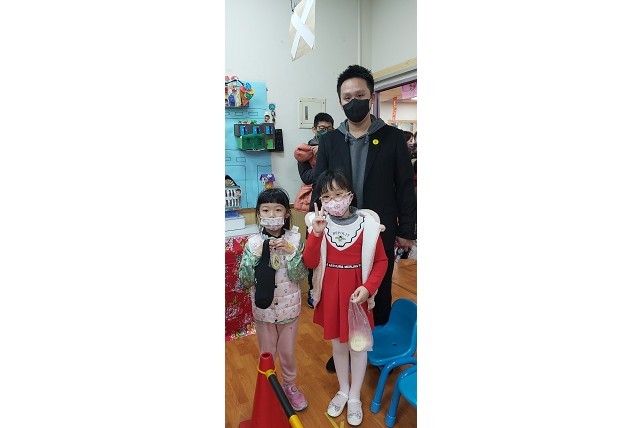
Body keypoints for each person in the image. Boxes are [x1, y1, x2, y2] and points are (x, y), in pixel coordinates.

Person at [311, 64, 417, 372]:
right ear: (340, 101)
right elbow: (320, 186)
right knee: (341, 291)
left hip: (378, 230)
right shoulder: (329, 141)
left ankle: (375, 345)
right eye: (347, 97)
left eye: (360, 95)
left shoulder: (393, 138)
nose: (353, 101)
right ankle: (344, 347)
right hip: (339, 231)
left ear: (370, 97)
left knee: (377, 288)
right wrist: (316, 227)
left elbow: (405, 187)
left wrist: (407, 230)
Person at [303, 169, 388, 426]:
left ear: (350, 195)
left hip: (357, 298)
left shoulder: (368, 226)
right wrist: (317, 234)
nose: (333, 201)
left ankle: (354, 396)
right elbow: (310, 262)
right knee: (339, 347)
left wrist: (368, 287)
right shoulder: (319, 225)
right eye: (326, 196)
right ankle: (342, 389)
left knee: (358, 347)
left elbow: (381, 261)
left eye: (338, 194)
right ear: (320, 200)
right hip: (331, 296)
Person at [238, 188, 309, 411]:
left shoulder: (295, 239)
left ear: (286, 214)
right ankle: (269, 387)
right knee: (267, 353)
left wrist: (291, 252)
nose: (272, 215)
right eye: (266, 210)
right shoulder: (252, 243)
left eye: (277, 210)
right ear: (258, 214)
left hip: (289, 310)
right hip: (264, 311)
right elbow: (245, 280)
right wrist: (256, 257)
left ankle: (290, 386)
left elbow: (300, 275)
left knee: (287, 352)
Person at [293, 112, 335, 308]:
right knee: (314, 249)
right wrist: (320, 156)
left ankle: (330, 291)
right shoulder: (305, 152)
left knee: (334, 249)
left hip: (336, 204)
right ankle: (313, 290)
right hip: (316, 207)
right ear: (314, 129)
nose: (325, 131)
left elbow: (339, 174)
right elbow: (308, 177)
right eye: (321, 128)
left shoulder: (337, 147)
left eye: (329, 129)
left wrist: (327, 152)